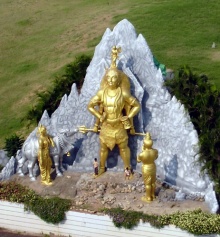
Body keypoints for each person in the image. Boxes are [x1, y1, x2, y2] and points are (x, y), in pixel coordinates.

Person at [87, 46, 141, 176]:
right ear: (106, 79)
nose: (111, 80)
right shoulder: (101, 92)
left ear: (119, 79)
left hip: (119, 126)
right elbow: (89, 106)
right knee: (103, 148)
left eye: (114, 78)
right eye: (109, 78)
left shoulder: (123, 93)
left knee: (123, 148)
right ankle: (101, 167)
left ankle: (127, 168)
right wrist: (99, 115)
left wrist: (128, 116)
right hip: (106, 125)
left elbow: (137, 106)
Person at [137, 133, 158, 202]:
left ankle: (148, 197)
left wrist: (143, 150)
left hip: (146, 167)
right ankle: (153, 195)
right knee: (153, 182)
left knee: (148, 184)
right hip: (153, 166)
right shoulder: (155, 151)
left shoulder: (142, 154)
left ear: (144, 144)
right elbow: (156, 157)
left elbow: (138, 161)